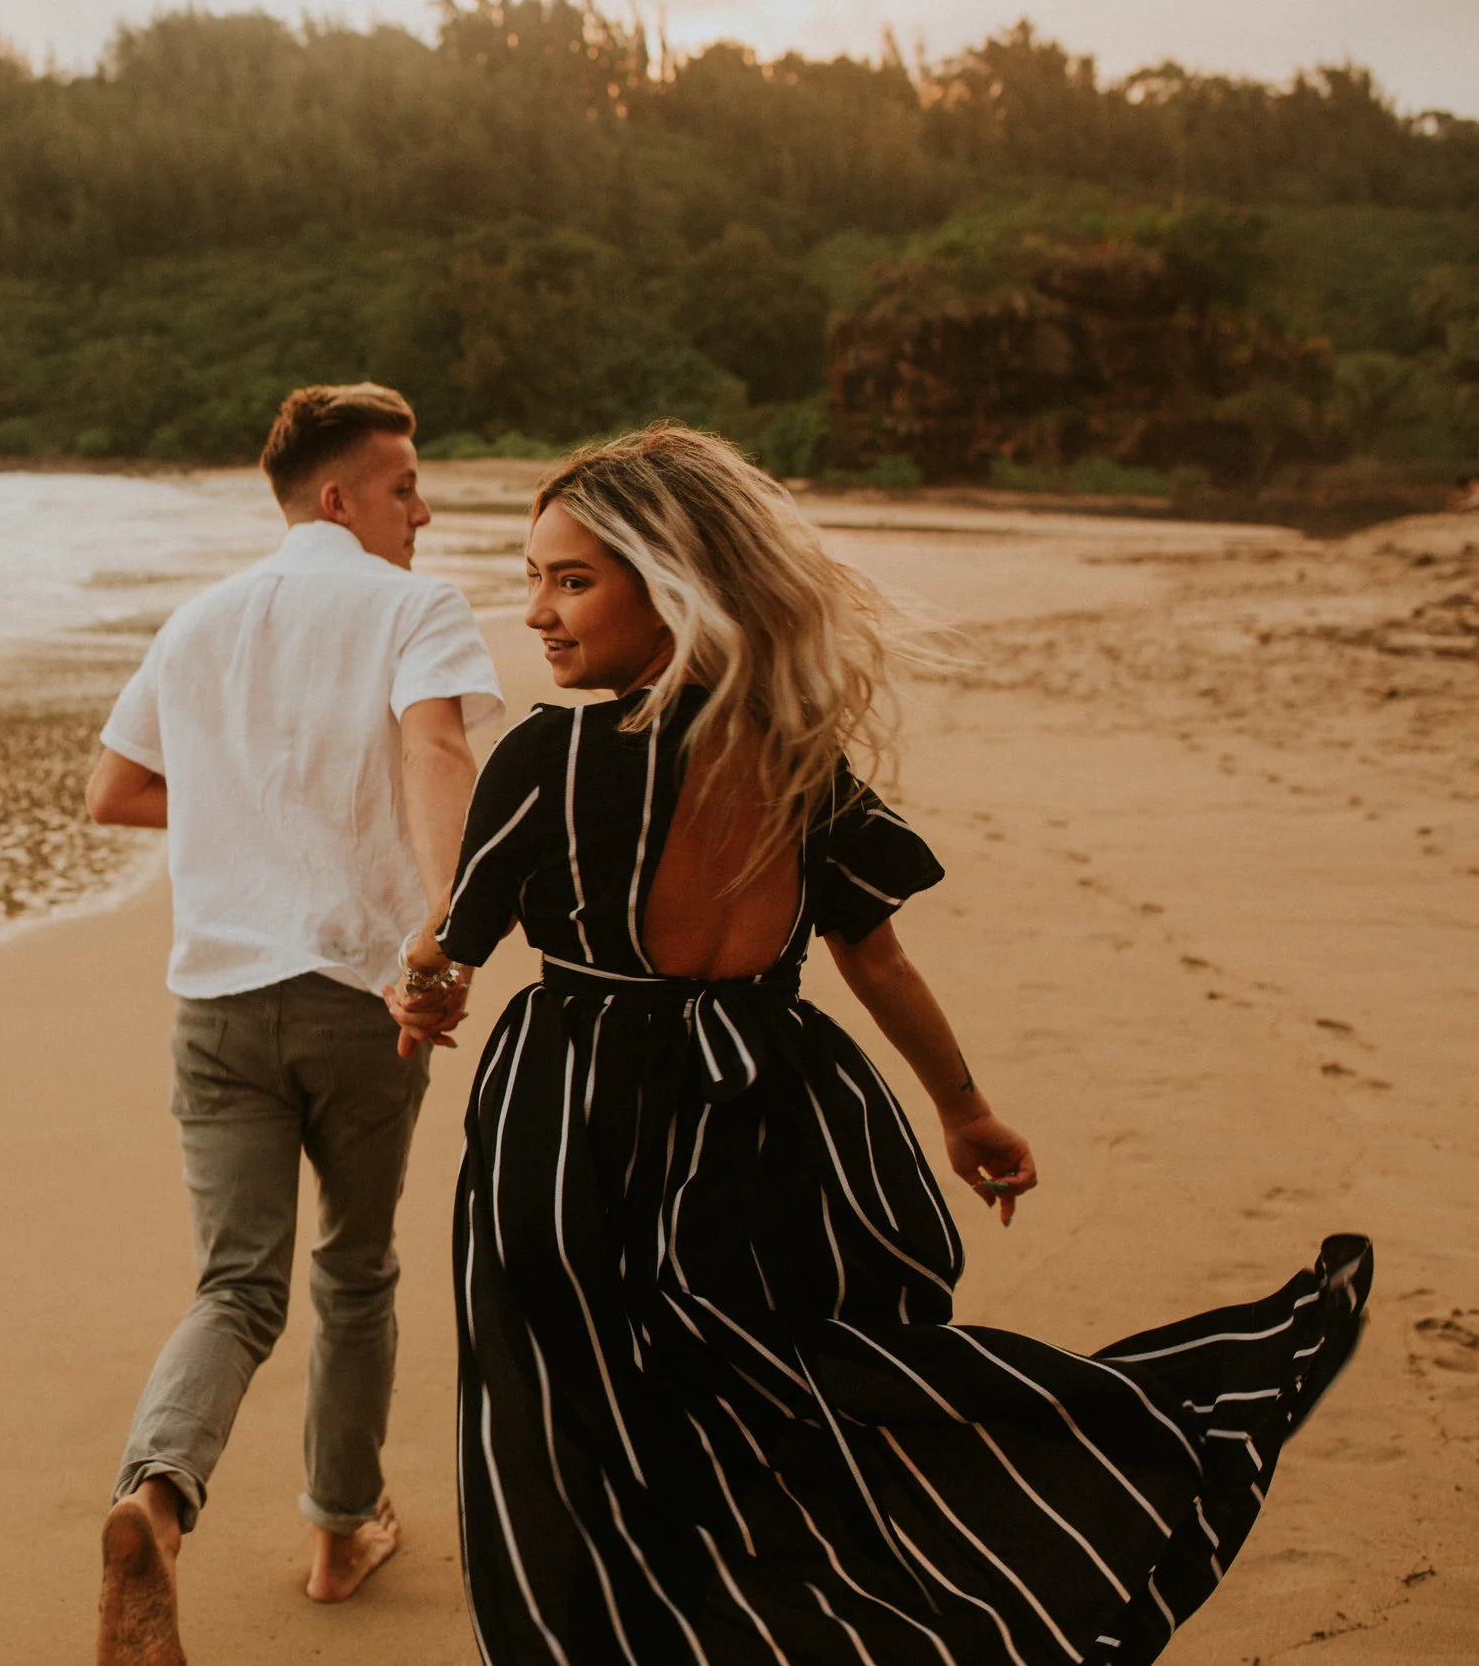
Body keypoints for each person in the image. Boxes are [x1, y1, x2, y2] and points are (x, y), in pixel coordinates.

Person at [390, 425, 1373, 1666]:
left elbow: (454, 939)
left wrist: (420, 991)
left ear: (676, 585)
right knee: (776, 1392)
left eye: (571, 580)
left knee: (561, 1411)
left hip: (575, 1122)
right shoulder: (802, 761)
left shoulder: (552, 756)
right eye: (531, 577)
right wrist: (964, 1110)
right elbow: (877, 958)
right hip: (766, 1115)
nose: (535, 611)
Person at [86, 383, 506, 1665]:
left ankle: (156, 1498)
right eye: (403, 486)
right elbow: (437, 752)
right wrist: (444, 929)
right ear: (337, 497)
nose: (422, 512)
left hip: (216, 1007)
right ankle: (337, 1532)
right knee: (355, 1267)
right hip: (354, 1001)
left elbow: (114, 788)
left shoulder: (198, 619)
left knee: (235, 1285)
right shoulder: (412, 608)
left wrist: (247, 812)